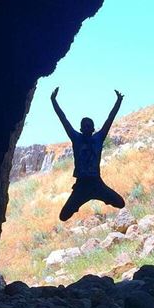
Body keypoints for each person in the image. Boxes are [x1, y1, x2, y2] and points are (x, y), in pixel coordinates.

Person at [51, 87, 126, 221]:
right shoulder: (76, 138)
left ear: (92, 128)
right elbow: (63, 119)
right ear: (81, 128)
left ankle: (94, 195)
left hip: (97, 183)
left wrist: (118, 101)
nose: (86, 127)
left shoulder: (99, 138)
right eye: (84, 126)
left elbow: (110, 119)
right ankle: (83, 198)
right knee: (63, 216)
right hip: (81, 185)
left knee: (121, 203)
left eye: (88, 125)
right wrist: (54, 101)